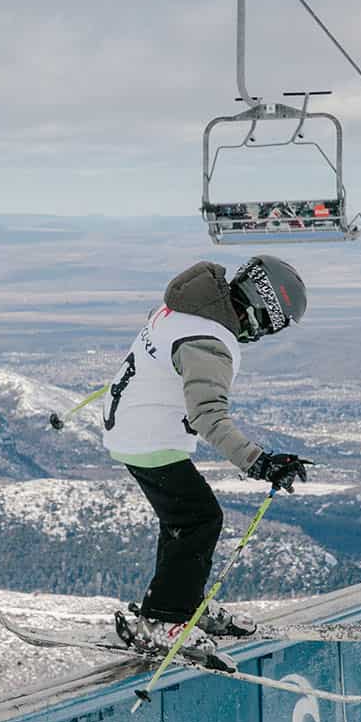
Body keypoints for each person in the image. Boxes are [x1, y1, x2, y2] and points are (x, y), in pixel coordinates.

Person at [101, 255, 312, 657]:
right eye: (271, 325)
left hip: (130, 425)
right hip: (148, 438)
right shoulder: (209, 342)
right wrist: (259, 462)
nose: (261, 334)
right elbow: (208, 415)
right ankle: (163, 620)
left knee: (182, 520)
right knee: (200, 518)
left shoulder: (185, 309)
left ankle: (181, 602)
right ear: (261, 307)